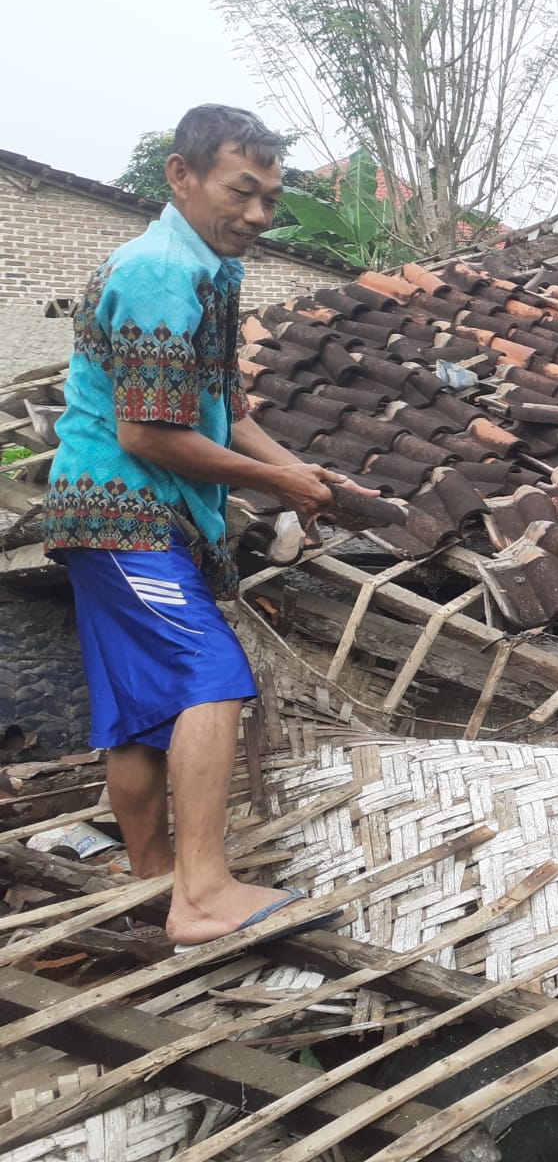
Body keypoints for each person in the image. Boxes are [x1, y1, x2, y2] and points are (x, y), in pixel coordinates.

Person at [41, 104, 373, 947]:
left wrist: (296, 474)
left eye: (271, 198)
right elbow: (148, 433)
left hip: (123, 515)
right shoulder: (158, 270)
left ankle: (153, 875)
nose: (259, 215)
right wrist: (274, 480)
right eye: (242, 192)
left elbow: (224, 409)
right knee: (210, 675)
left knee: (136, 709)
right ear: (181, 177)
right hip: (126, 513)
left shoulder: (206, 271)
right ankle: (202, 893)